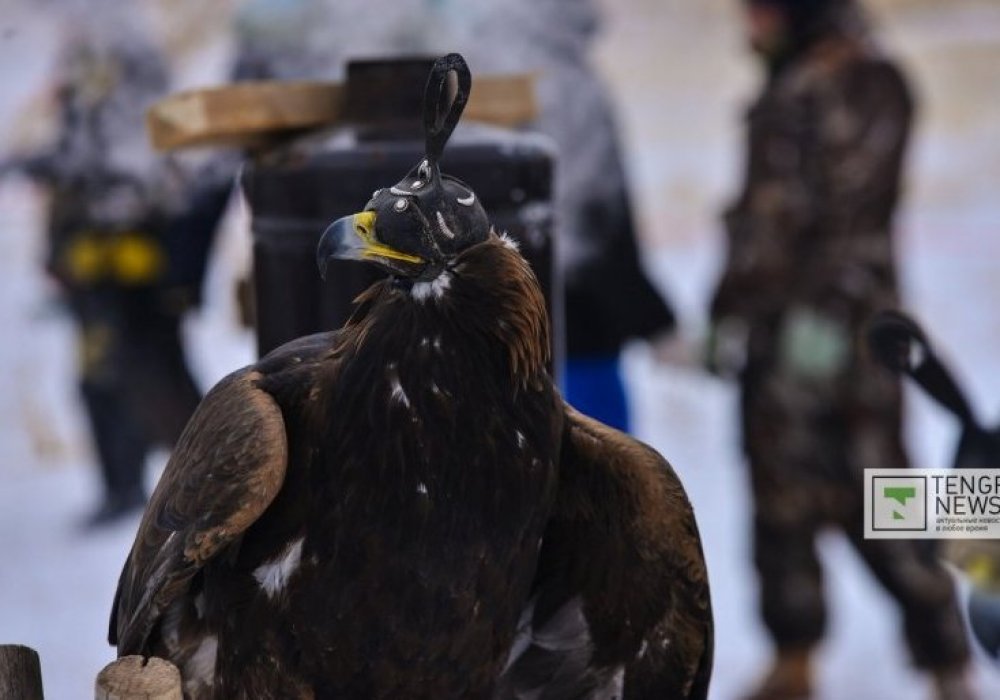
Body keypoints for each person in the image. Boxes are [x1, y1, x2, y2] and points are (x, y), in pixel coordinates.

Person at [229, 0, 678, 433]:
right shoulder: (540, 79)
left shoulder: (539, 83)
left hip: (555, 331)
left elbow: (594, 208)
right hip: (548, 335)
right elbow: (605, 215)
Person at [708, 1, 974, 698]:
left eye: (761, 11)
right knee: (831, 490)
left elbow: (808, 215)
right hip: (825, 331)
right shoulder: (839, 78)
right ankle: (819, 658)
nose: (751, 26)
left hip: (823, 330)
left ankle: (926, 655)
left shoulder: (830, 86)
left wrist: (762, 311)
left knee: (841, 491)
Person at [11, 28, 229, 527]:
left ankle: (207, 480)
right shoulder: (92, 44)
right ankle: (133, 485)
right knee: (106, 377)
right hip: (98, 265)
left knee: (147, 375)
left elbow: (128, 161)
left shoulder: (124, 48)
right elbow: (85, 145)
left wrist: (51, 167)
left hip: (132, 267)